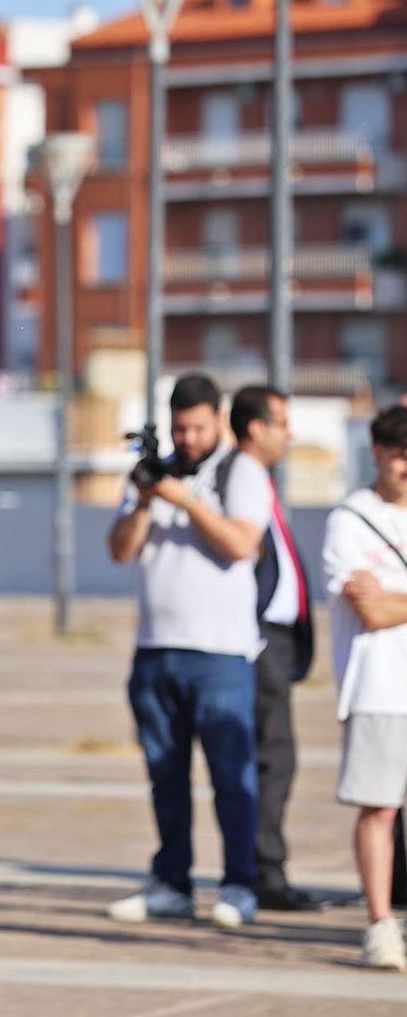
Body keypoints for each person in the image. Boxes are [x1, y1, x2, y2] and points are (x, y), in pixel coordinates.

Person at [106, 372, 270, 928]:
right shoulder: (154, 472)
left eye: (198, 428)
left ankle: (239, 886)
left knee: (232, 775)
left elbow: (242, 544)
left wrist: (186, 500)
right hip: (155, 649)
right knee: (165, 774)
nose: (190, 438)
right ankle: (171, 882)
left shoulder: (240, 469)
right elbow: (120, 551)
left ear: (218, 420)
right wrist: (146, 499)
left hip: (221, 654)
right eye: (181, 428)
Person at [227, 386, 330, 913]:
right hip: (261, 636)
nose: (289, 433)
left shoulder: (257, 476)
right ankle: (264, 873)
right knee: (274, 757)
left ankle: (262, 868)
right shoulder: (241, 473)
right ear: (254, 428)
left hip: (277, 638)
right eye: (281, 422)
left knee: (275, 756)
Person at [320, 404, 407, 971]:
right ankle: (380, 924)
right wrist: (384, 604)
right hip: (381, 687)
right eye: (401, 457)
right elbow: (370, 612)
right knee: (378, 808)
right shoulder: (351, 519)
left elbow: (385, 601)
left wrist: (392, 598)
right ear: (377, 453)